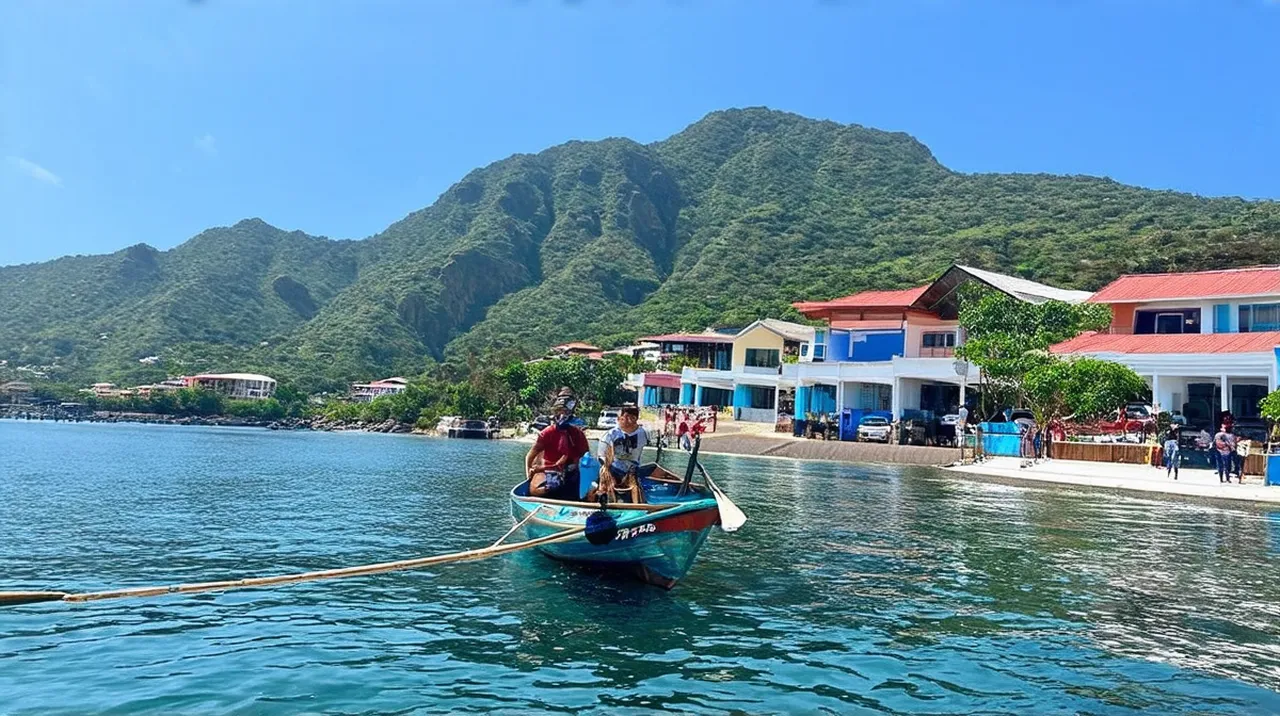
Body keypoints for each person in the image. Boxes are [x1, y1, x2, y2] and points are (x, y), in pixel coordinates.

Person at [525, 388, 589, 498]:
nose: (563, 415)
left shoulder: (577, 434)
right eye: (560, 411)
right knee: (551, 488)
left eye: (566, 412)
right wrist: (528, 475)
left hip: (571, 474)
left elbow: (586, 459)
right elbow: (529, 456)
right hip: (549, 473)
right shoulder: (547, 433)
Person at [591, 406, 648, 504]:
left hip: (631, 469)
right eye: (620, 417)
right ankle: (600, 502)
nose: (619, 420)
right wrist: (607, 468)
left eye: (623, 417)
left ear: (633, 419)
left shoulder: (643, 433)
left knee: (635, 487)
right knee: (605, 482)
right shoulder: (610, 434)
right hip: (613, 468)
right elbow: (601, 456)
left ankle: (640, 507)